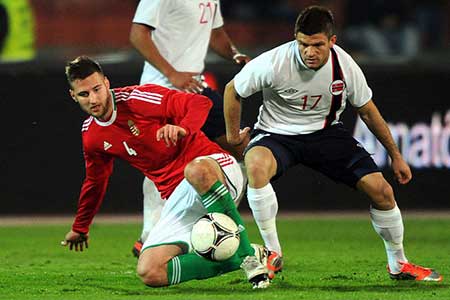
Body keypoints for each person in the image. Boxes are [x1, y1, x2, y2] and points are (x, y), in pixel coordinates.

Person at [223, 5, 442, 282]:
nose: (309, 52)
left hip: (326, 134)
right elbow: (233, 90)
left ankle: (399, 264)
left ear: (332, 41)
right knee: (255, 167)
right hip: (276, 135)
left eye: (317, 45)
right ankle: (273, 254)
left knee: (382, 191)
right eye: (303, 44)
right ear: (295, 40)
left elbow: (367, 110)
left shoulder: (345, 65)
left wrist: (396, 155)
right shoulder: (274, 62)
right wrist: (233, 138)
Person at [60, 56, 270, 288]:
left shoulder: (138, 99)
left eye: (97, 89)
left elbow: (200, 104)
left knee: (195, 170)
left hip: (216, 170)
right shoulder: (92, 135)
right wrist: (80, 227)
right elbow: (95, 182)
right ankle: (248, 256)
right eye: (84, 94)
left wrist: (183, 127)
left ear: (107, 83)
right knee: (150, 271)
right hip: (179, 197)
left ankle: (248, 258)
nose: (94, 99)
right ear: (73, 96)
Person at [129, 0, 251, 256]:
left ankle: (220, 225)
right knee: (162, 161)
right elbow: (137, 34)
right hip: (159, 89)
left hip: (194, 88)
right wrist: (172, 73)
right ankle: (148, 236)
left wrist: (234, 54)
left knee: (239, 147)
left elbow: (215, 34)